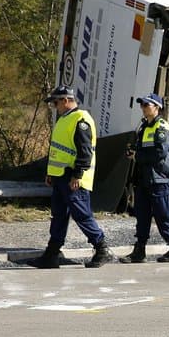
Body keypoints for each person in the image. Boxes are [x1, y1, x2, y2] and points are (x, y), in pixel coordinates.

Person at [29, 86, 114, 268]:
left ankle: (102, 249)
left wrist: (77, 174)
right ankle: (51, 254)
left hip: (73, 178)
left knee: (82, 215)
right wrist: (51, 173)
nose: (54, 106)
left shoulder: (80, 120)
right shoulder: (64, 119)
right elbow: (59, 150)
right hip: (60, 176)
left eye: (56, 102)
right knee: (58, 216)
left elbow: (85, 151)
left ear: (66, 100)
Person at [120, 94, 169, 263]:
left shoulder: (162, 128)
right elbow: (144, 149)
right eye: (142, 104)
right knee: (142, 216)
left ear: (157, 107)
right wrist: (133, 150)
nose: (143, 107)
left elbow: (159, 153)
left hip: (159, 179)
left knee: (163, 216)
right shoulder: (144, 127)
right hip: (144, 179)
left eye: (147, 104)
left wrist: (136, 156)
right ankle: (139, 251)